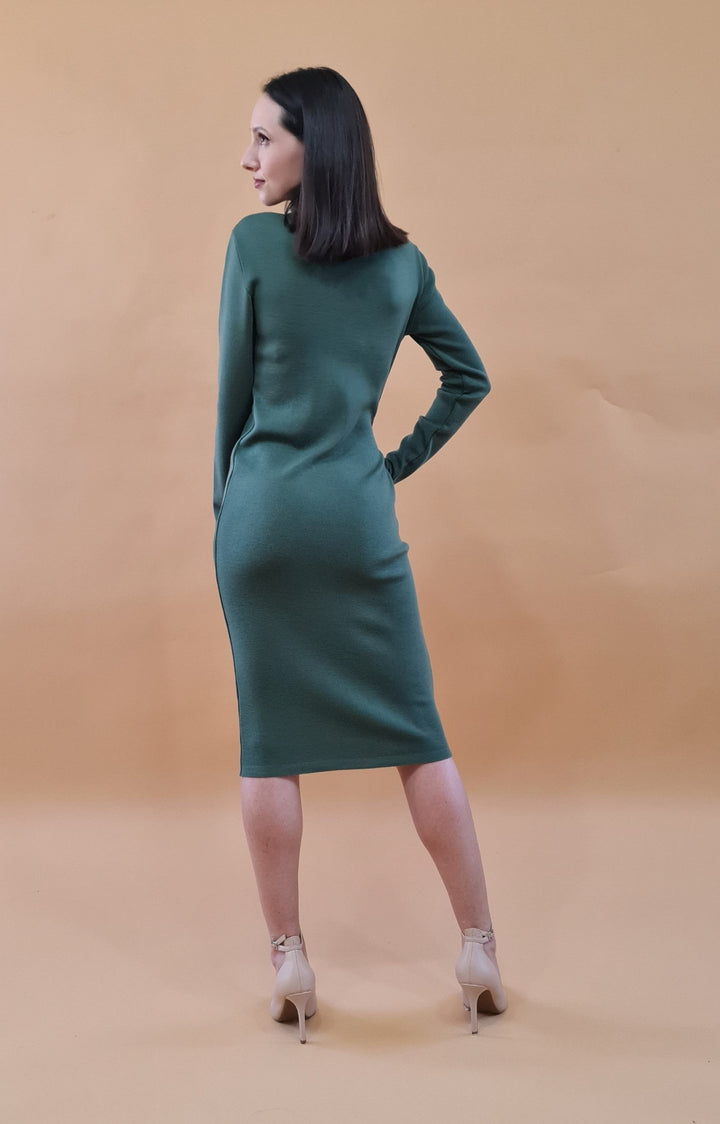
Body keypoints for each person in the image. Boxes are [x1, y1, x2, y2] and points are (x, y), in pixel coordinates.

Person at [212, 66, 507, 1042]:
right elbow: (468, 378)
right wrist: (391, 465)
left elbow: (234, 398)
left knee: (268, 745)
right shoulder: (401, 263)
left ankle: (289, 960)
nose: (248, 155)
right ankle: (477, 946)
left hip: (261, 522)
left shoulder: (253, 246)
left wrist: (230, 509)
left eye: (264, 137)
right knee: (417, 734)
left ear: (313, 146)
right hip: (355, 515)